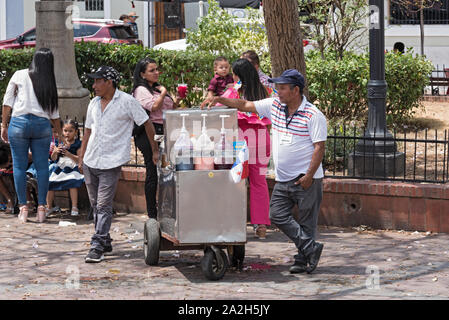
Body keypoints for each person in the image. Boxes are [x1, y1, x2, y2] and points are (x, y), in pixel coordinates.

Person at [202, 69, 327, 274]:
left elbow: (319, 147)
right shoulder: (274, 105)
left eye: (282, 88)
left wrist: (309, 176)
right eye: (277, 87)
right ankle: (310, 248)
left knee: (307, 223)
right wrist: (219, 99)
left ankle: (303, 260)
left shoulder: (314, 115)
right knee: (276, 215)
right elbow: (245, 105)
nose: (277, 91)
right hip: (284, 178)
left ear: (296, 90)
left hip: (306, 179)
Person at [79, 66, 159, 263]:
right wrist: (81, 156)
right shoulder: (93, 103)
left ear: (109, 82)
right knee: (95, 204)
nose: (94, 85)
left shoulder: (127, 101)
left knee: (104, 204)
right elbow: (88, 130)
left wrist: (154, 150)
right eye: (94, 81)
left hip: (111, 161)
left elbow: (146, 123)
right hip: (91, 160)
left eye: (98, 81)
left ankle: (97, 245)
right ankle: (105, 240)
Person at [1, 48, 63, 223]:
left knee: (19, 167)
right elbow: (54, 112)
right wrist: (59, 133)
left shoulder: (19, 74)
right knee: (42, 167)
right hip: (41, 125)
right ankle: (42, 208)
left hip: (19, 123)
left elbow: (7, 102)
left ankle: (23, 208)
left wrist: (4, 125)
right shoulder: (49, 80)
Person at [220, 59, 273, 239]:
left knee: (236, 181)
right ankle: (261, 226)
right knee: (259, 183)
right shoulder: (264, 90)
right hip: (262, 139)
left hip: (241, 140)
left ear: (238, 75)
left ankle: (234, 223)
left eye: (234, 74)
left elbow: (220, 109)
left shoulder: (234, 91)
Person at [132, 58, 180, 219]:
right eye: (152, 70)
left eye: (157, 69)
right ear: (142, 74)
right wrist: (165, 92)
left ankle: (167, 208)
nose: (156, 72)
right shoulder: (141, 90)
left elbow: (169, 108)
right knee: (152, 171)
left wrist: (176, 99)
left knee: (167, 171)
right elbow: (153, 107)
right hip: (149, 133)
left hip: (165, 130)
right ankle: (152, 213)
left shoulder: (157, 89)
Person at [47, 119, 84, 217]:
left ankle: (74, 206)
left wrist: (68, 154)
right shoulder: (59, 143)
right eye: (65, 131)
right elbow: (53, 158)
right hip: (61, 167)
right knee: (50, 182)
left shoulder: (78, 144)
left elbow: (79, 159)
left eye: (70, 131)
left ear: (75, 132)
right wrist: (55, 151)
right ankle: (49, 206)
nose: (67, 134)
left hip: (73, 167)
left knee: (72, 182)